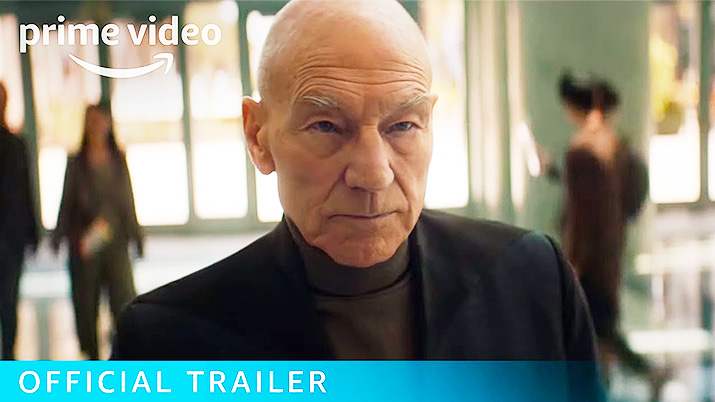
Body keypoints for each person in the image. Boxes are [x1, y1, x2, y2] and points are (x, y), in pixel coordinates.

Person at [112, 0, 598, 374]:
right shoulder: (166, 344)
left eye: (402, 126)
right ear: (258, 136)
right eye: (326, 126)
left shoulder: (532, 281)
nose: (373, 174)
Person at [540, 72, 657, 395]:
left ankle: (637, 376)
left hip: (590, 254)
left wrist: (573, 259)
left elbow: (583, 214)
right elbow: (618, 195)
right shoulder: (615, 144)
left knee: (596, 325)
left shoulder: (582, 149)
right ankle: (623, 380)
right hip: (609, 248)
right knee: (601, 324)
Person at [52, 104, 143, 360]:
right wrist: (59, 237)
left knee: (123, 299)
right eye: (91, 122)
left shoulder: (117, 159)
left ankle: (123, 354)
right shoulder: (76, 162)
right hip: (85, 245)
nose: (96, 127)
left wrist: (137, 235)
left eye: (100, 121)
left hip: (115, 242)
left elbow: (128, 200)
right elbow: (66, 202)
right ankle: (91, 355)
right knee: (86, 303)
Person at [0, 82, 38, 360]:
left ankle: (8, 360)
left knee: (9, 303)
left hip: (11, 238)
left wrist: (32, 230)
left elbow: (26, 190)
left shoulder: (16, 144)